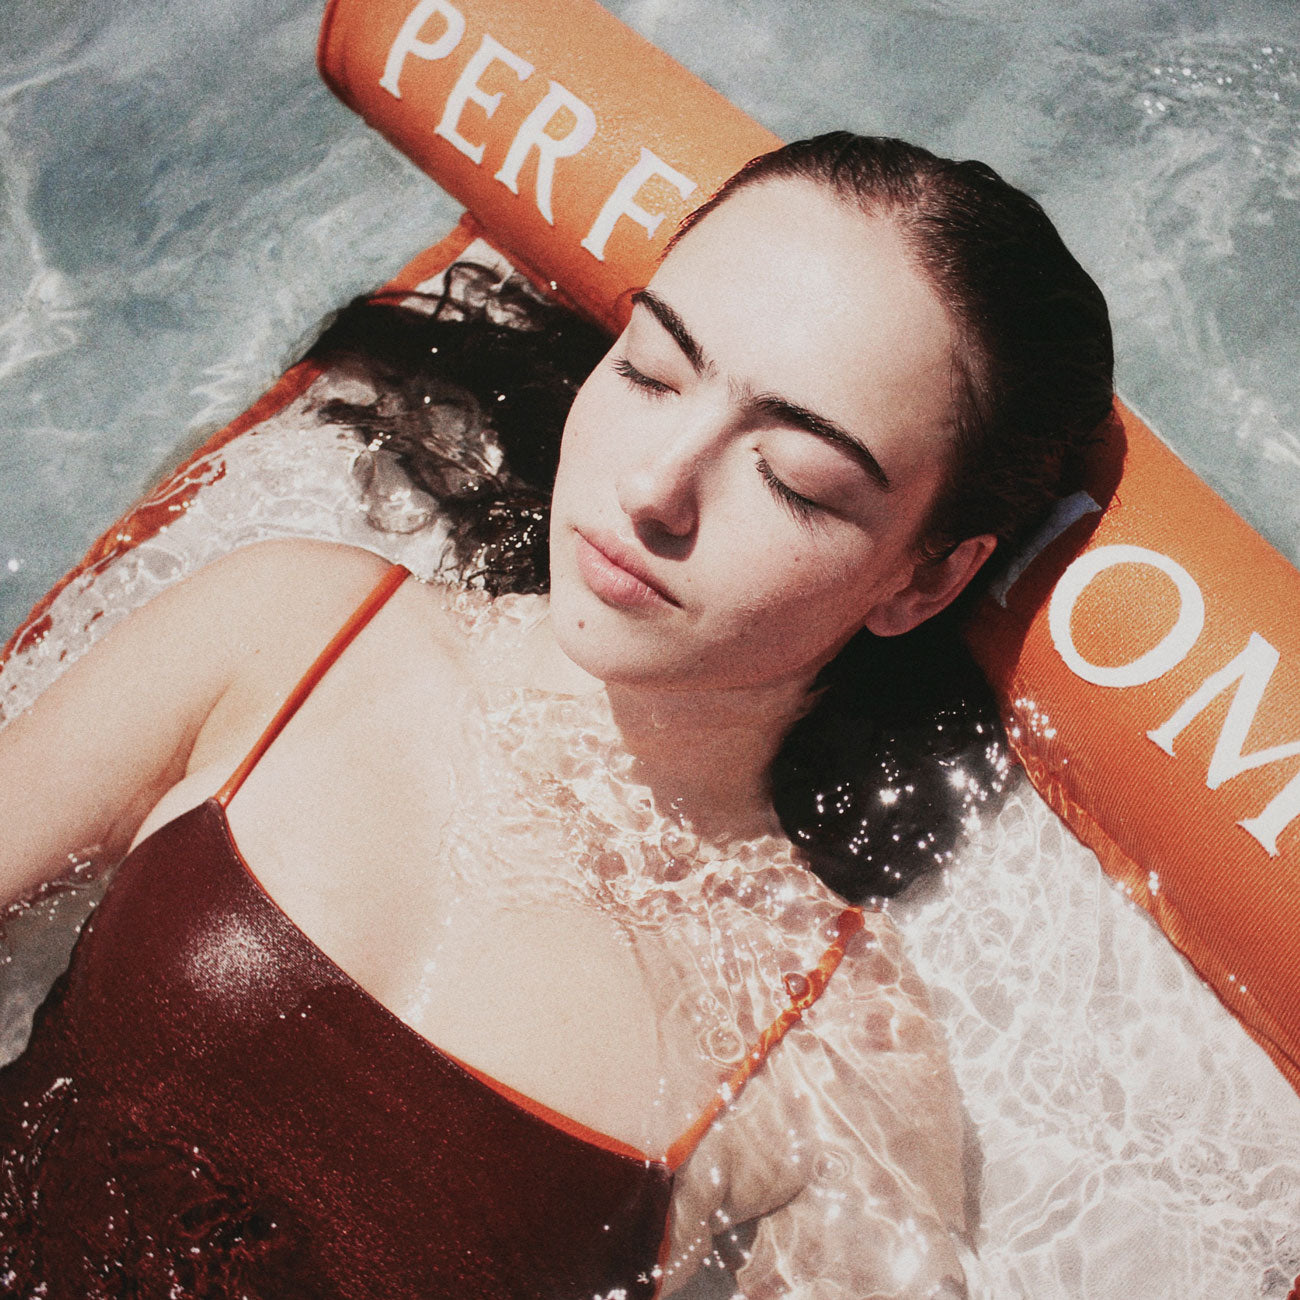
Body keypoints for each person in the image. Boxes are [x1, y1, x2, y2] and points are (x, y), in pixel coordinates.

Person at [0, 133, 1112, 1298]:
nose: (652, 487)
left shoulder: (833, 1040)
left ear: (924, 580)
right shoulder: (286, 635)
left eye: (792, 476)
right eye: (650, 371)